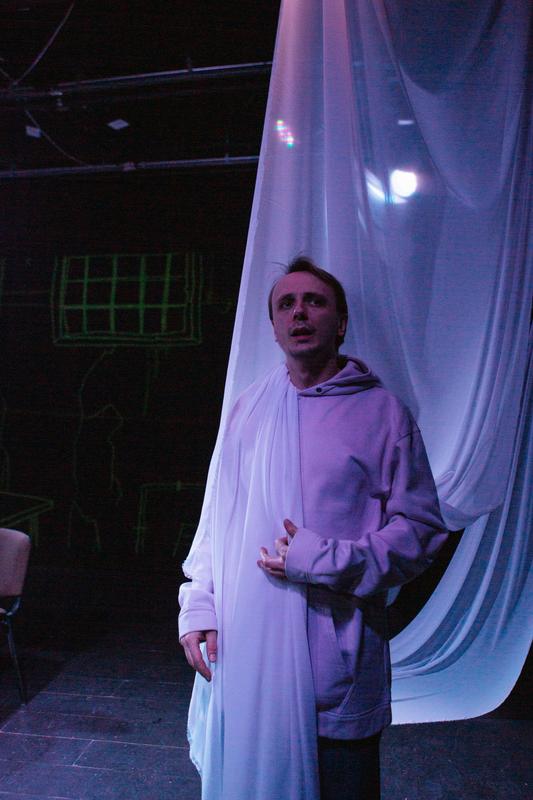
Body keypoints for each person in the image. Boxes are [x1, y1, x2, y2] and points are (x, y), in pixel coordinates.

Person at [179, 256, 448, 800]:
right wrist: (199, 605)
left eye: (315, 302)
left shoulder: (382, 415)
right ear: (274, 327)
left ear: (340, 323)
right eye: (286, 304)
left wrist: (320, 559)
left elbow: (421, 532)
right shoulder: (249, 410)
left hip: (335, 672)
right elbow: (217, 518)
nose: (299, 312)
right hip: (251, 661)